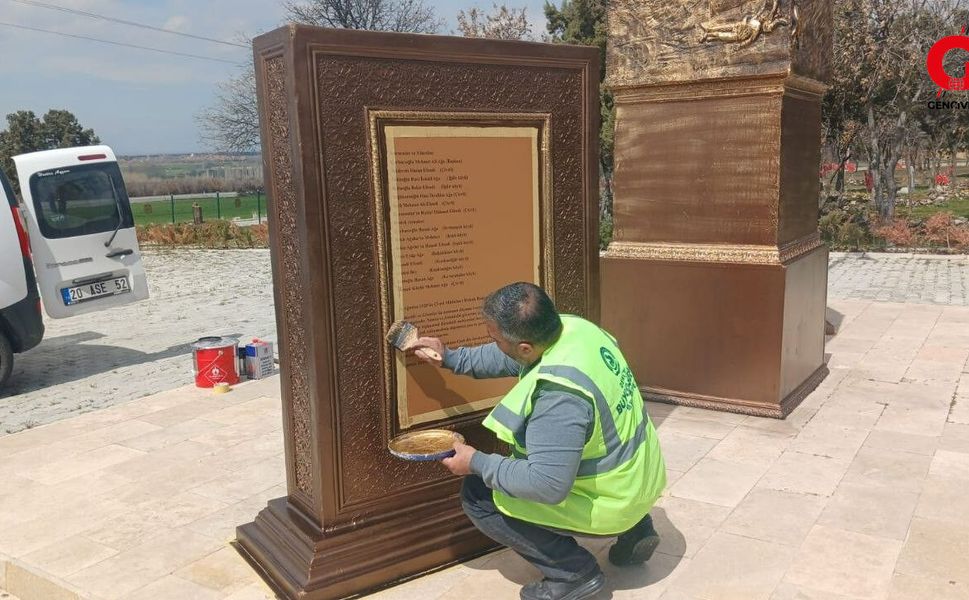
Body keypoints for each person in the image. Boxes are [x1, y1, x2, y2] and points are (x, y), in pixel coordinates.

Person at [412, 282, 667, 600]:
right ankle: (636, 529)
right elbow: (506, 357)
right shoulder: (575, 330)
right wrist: (450, 358)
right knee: (593, 457)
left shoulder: (559, 400)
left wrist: (475, 462)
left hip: (614, 499)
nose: (493, 343)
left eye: (494, 337)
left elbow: (547, 485)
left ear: (525, 348)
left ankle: (573, 573)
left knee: (479, 495)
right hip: (641, 480)